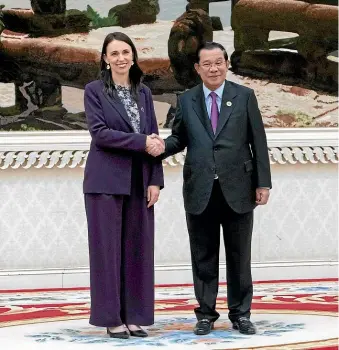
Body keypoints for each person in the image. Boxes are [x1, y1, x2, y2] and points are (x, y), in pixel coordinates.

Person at [149, 42, 271, 335]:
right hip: (200, 187)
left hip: (239, 187)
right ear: (197, 68)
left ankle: (241, 314)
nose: (213, 68)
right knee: (203, 255)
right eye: (207, 64)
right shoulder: (187, 99)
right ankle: (205, 313)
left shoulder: (244, 96)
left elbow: (259, 141)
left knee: (239, 256)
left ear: (227, 64)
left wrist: (263, 182)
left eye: (219, 62)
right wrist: (161, 146)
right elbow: (179, 138)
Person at [83, 32, 165, 339]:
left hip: (139, 182)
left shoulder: (143, 92)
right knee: (107, 253)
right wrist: (142, 141)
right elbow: (100, 134)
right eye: (114, 53)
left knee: (138, 250)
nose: (120, 58)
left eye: (125, 52)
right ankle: (111, 318)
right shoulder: (94, 91)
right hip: (104, 181)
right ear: (105, 58)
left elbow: (154, 138)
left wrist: (156, 179)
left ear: (133, 55)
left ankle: (134, 316)